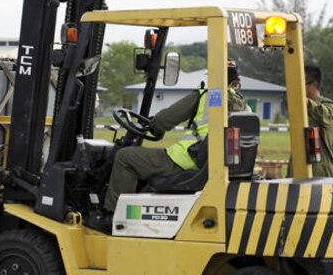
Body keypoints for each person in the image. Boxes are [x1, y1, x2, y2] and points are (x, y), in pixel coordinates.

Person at [89, 60, 247, 232]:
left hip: (184, 161)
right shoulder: (244, 106)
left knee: (125, 157)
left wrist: (155, 125)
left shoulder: (204, 96)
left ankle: (112, 217)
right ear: (236, 80)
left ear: (214, 76)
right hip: (213, 165)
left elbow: (164, 121)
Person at [305, 64, 333, 177]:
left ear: (314, 84)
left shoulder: (328, 108)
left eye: (301, 84)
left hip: (322, 176)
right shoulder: (301, 110)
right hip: (300, 174)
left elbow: (321, 114)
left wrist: (306, 102)